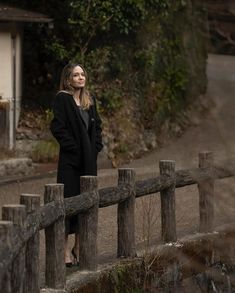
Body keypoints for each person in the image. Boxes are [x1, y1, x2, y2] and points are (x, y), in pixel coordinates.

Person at [50, 63, 103, 267]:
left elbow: (97, 126)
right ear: (68, 78)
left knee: (86, 204)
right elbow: (57, 127)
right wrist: (73, 148)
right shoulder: (62, 98)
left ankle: (79, 247)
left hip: (89, 163)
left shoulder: (90, 100)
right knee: (67, 204)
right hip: (70, 163)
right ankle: (63, 252)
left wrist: (95, 147)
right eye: (76, 75)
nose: (80, 77)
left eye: (82, 74)